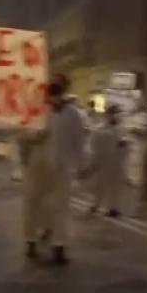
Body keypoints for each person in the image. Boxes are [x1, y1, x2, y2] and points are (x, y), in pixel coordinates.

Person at [22, 73, 87, 265]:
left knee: (61, 206)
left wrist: (82, 165)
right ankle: (30, 240)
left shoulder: (73, 114)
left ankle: (59, 245)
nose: (56, 87)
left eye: (60, 84)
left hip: (62, 166)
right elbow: (22, 132)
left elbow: (79, 141)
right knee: (32, 201)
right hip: (38, 163)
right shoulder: (37, 109)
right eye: (53, 84)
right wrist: (35, 136)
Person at [88, 106, 127, 217]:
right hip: (104, 161)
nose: (118, 116)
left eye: (119, 114)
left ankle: (113, 208)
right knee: (100, 185)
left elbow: (126, 145)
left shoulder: (122, 129)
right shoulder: (100, 129)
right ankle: (96, 204)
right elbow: (94, 146)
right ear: (108, 115)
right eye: (115, 113)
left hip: (117, 162)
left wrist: (123, 147)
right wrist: (94, 162)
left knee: (116, 186)